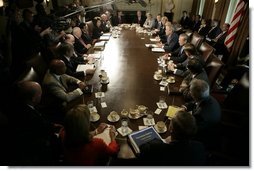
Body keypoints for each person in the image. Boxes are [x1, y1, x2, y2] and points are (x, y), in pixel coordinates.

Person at [11, 81, 62, 165]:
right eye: (40, 94)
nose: (42, 95)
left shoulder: (21, 105)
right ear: (34, 99)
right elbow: (43, 131)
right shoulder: (30, 117)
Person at [138, 111, 206, 165]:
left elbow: (142, 148)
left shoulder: (156, 148)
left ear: (171, 128)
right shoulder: (200, 147)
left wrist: (163, 141)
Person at [183, 79, 221, 149]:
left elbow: (190, 129)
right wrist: (185, 107)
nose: (189, 93)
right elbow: (195, 103)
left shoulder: (200, 114)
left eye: (190, 92)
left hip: (203, 136)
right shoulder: (206, 97)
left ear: (193, 95)